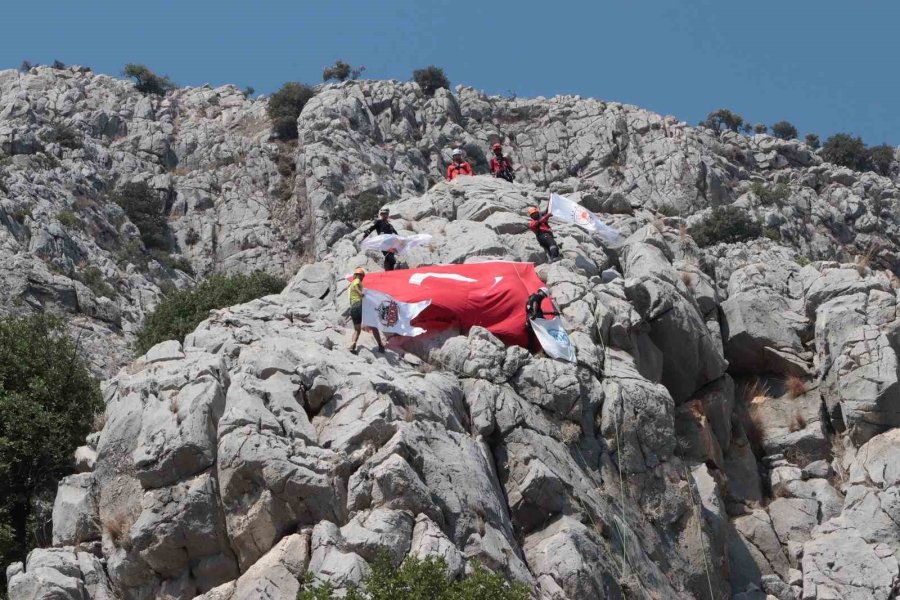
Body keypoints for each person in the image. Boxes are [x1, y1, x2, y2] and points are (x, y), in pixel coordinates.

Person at [348, 267, 385, 354]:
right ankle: (380, 345)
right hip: (360, 305)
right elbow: (357, 286)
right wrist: (360, 293)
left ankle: (353, 343)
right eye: (362, 276)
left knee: (357, 330)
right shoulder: (357, 281)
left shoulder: (351, 284)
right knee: (373, 326)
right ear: (360, 276)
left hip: (353, 308)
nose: (362, 278)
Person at [364, 206, 399, 271]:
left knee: (392, 259)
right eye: (382, 214)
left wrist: (400, 241)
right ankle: (387, 273)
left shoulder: (390, 225)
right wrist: (364, 236)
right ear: (381, 215)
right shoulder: (379, 222)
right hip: (383, 244)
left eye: (385, 214)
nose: (384, 215)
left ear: (388, 214)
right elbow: (371, 229)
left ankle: (390, 273)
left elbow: (397, 235)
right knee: (389, 257)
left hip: (390, 244)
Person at [525, 287, 559, 352]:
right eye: (544, 295)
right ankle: (550, 349)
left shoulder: (530, 298)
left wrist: (551, 313)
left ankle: (531, 350)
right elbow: (535, 303)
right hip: (537, 321)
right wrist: (535, 314)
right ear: (542, 292)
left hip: (530, 321)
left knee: (532, 337)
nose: (543, 297)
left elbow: (539, 311)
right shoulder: (538, 297)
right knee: (546, 333)